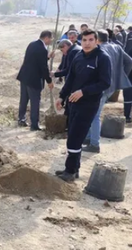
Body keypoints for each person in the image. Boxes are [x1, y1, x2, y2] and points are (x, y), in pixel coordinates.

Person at [55, 29, 111, 182]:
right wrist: (61, 97)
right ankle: (72, 169)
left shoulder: (102, 58)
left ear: (96, 41)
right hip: (73, 103)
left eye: (90, 40)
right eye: (84, 40)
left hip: (88, 104)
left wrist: (84, 92)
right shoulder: (79, 56)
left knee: (75, 137)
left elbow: (105, 83)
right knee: (72, 135)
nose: (87, 43)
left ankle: (71, 171)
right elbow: (71, 78)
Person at [83, 29, 132, 153]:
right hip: (111, 86)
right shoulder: (116, 47)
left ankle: (94, 144)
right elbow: (129, 62)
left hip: (101, 87)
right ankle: (89, 138)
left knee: (94, 115)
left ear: (97, 39)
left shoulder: (100, 51)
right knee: (92, 113)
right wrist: (120, 75)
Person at [17, 30, 54, 131]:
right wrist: (49, 81)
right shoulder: (42, 49)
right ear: (46, 38)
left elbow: (34, 60)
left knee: (23, 100)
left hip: (24, 76)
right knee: (35, 102)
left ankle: (21, 119)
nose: (51, 41)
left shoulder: (32, 44)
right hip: (34, 79)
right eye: (51, 39)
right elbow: (43, 67)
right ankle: (34, 125)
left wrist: (47, 57)